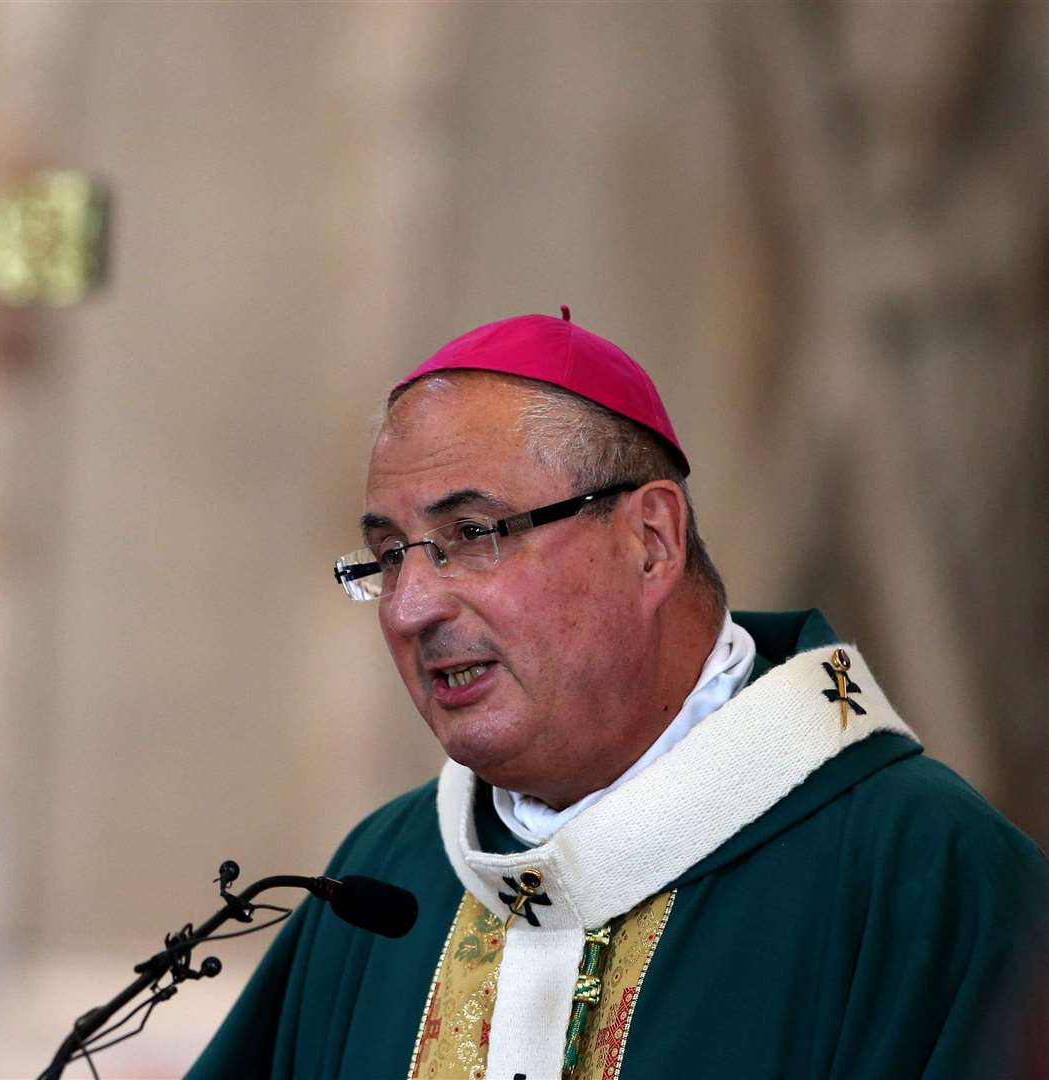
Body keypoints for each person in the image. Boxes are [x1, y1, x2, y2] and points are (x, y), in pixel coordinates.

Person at [188, 310, 1048, 1080]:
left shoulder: (925, 872)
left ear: (650, 541)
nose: (412, 607)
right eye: (387, 556)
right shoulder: (383, 878)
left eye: (471, 535)